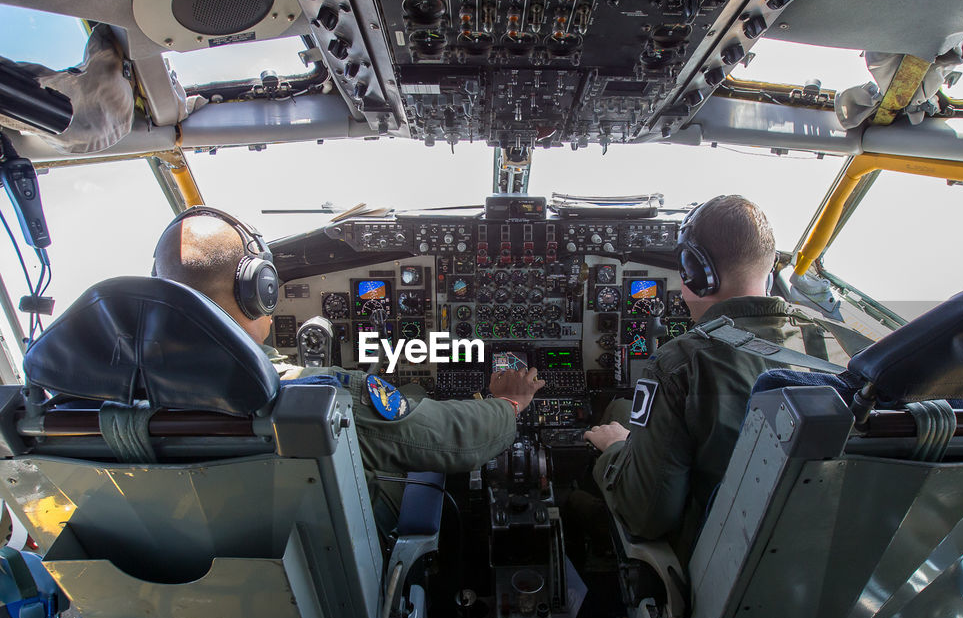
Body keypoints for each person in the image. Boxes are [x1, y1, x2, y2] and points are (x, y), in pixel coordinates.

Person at [152, 206, 545, 534]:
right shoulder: (323, 395)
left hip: (219, 549)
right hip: (341, 552)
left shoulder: (120, 405)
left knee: (413, 396)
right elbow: (455, 440)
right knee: (418, 417)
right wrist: (509, 402)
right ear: (261, 290)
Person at [582, 195, 802, 560]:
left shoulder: (679, 363)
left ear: (694, 272)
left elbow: (646, 517)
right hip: (795, 535)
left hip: (717, 551)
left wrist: (616, 449)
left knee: (586, 482)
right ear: (772, 266)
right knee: (623, 406)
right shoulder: (838, 347)